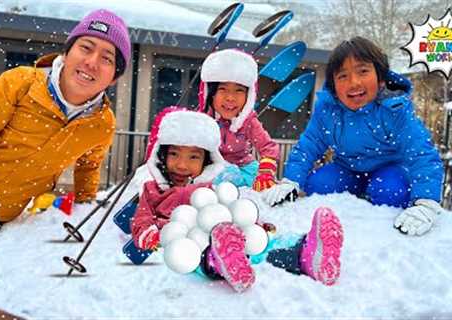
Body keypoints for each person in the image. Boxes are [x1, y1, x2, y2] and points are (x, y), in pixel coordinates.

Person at [0, 9, 131, 271]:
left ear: (114, 77)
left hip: (7, 221)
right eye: (86, 47)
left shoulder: (102, 123)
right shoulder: (19, 84)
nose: (91, 62)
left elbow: (89, 167)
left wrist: (84, 211)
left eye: (106, 58)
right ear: (67, 53)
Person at [131, 107, 344, 293]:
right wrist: (151, 235)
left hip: (223, 233)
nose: (182, 165)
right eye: (174, 155)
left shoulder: (211, 186)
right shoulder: (152, 190)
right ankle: (219, 261)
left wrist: (257, 226)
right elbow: (140, 222)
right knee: (191, 252)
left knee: (262, 245)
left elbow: (234, 211)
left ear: (207, 160)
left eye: (193, 157)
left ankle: (306, 253)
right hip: (187, 239)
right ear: (162, 156)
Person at [265, 36, 444, 236]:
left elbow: (421, 153)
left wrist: (425, 202)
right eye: (342, 76)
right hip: (347, 169)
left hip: (389, 168)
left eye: (363, 71)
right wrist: (291, 181)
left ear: (381, 78)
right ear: (333, 85)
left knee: (390, 192)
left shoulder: (394, 110)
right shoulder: (328, 110)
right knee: (317, 185)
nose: (354, 82)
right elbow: (308, 146)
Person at [197, 49, 280, 192]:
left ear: (249, 95)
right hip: (212, 168)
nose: (230, 97)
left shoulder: (249, 121)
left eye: (239, 90)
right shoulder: (202, 120)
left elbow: (268, 147)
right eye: (222, 89)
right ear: (210, 93)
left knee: (264, 187)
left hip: (245, 169)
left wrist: (265, 173)